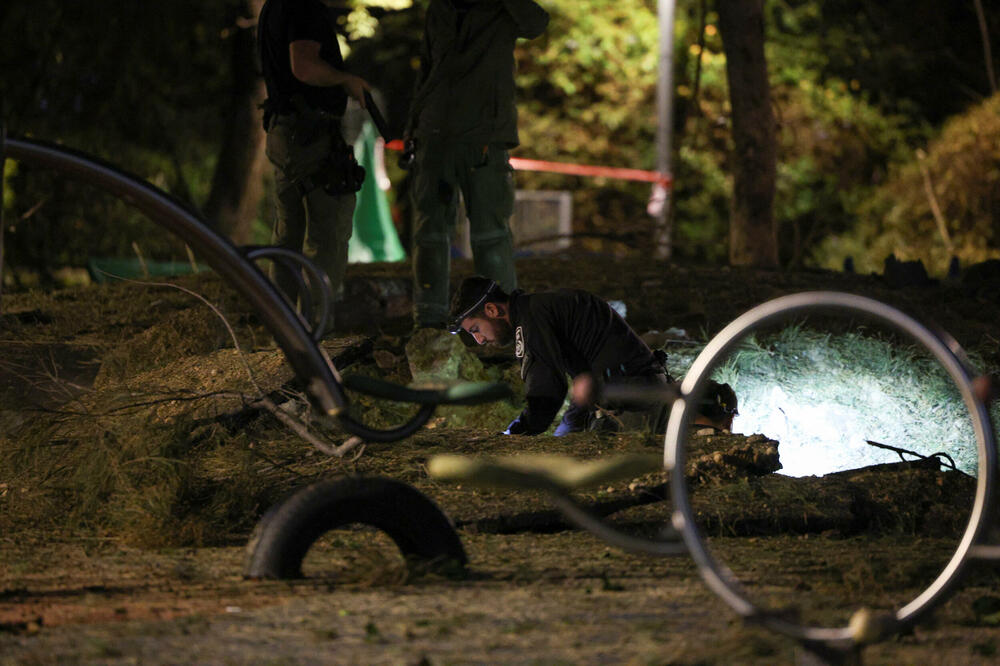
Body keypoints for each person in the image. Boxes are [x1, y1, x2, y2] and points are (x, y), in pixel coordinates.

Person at [405, 0, 549, 329]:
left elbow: (536, 23)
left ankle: (500, 323)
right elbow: (428, 66)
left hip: (482, 134)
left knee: (489, 233)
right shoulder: (440, 8)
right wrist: (413, 128)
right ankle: (428, 320)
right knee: (430, 232)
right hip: (437, 132)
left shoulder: (502, 9)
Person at [257, 0, 371, 317]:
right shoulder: (303, 7)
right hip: (309, 137)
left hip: (286, 132)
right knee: (327, 235)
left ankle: (284, 329)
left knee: (289, 234)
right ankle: (314, 333)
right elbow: (304, 66)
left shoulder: (276, 7)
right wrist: (345, 80)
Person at [449, 276, 674, 436]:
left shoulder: (531, 319)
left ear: (492, 310)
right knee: (567, 433)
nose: (479, 340)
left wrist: (518, 432)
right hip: (624, 390)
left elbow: (545, 389)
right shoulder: (536, 308)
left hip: (634, 398)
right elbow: (583, 383)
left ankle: (688, 414)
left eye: (476, 330)